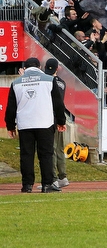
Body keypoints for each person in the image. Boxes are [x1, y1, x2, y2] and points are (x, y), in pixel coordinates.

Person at [5, 57, 67, 193]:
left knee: (26, 155)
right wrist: (61, 122)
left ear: (25, 69)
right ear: (39, 67)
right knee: (46, 154)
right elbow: (58, 103)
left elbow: (10, 107)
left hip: (25, 123)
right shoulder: (49, 80)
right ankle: (47, 184)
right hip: (44, 122)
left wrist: (10, 126)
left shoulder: (16, 83)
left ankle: (27, 185)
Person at [45, 58, 71, 188]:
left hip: (49, 118)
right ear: (57, 69)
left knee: (51, 149)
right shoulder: (62, 83)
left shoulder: (46, 81)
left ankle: (53, 179)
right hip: (60, 117)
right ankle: (63, 176)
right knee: (60, 148)